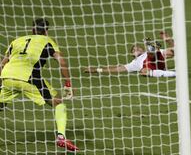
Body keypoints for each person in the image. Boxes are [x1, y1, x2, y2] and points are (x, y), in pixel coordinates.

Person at [0, 18, 79, 151]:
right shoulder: (47, 41)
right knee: (58, 103)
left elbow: (2, 64)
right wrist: (67, 84)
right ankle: (61, 137)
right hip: (29, 77)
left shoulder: (17, 40)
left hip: (7, 76)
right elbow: (62, 62)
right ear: (46, 31)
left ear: (32, 29)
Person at [84, 31, 176, 77]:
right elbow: (117, 68)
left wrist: (169, 42)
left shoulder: (147, 53)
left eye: (138, 47)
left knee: (170, 52)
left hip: (157, 60)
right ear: (133, 55)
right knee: (143, 72)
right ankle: (173, 74)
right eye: (134, 50)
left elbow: (172, 53)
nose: (136, 49)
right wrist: (96, 70)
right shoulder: (134, 63)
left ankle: (166, 40)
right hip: (151, 67)